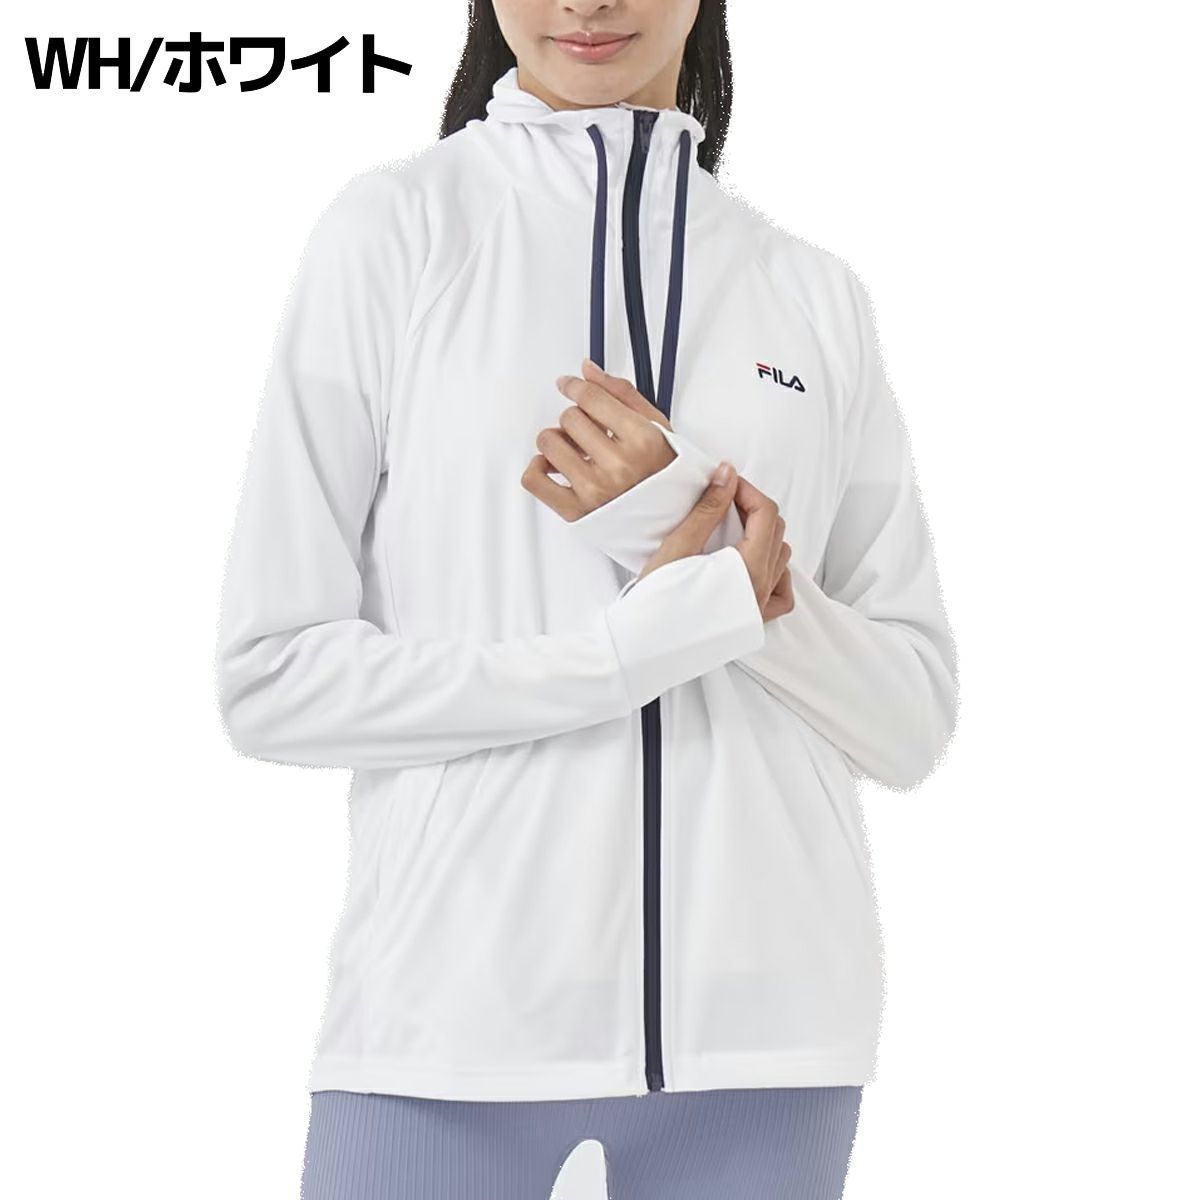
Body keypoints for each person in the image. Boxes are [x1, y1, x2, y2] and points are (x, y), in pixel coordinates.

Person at [214, 1, 959, 1196]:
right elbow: (271, 680)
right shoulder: (398, 231)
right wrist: (623, 655)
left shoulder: (811, 292)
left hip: (771, 1038)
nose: (585, 0)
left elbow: (910, 720)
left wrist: (685, 544)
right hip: (445, 1022)